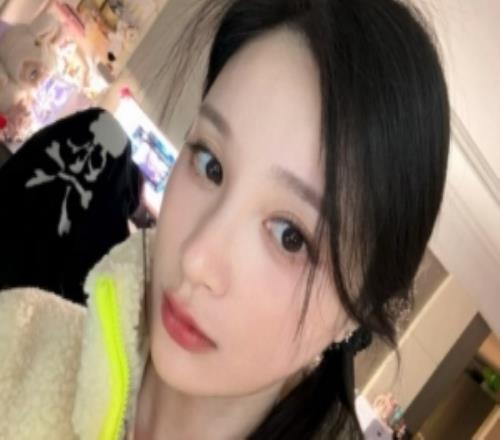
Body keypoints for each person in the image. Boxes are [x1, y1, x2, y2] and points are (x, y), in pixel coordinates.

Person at [0, 0, 450, 438]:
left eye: (290, 236)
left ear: (358, 311)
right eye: (210, 164)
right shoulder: (15, 348)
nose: (196, 259)